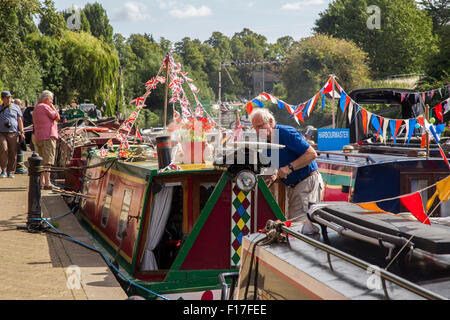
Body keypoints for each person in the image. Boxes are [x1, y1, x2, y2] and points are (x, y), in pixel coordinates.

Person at [249, 108, 323, 234]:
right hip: (294, 186)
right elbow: (274, 165)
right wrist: (274, 176)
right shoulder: (266, 140)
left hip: (305, 182)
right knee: (294, 225)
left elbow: (311, 154)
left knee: (302, 229)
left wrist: (289, 168)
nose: (257, 131)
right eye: (255, 127)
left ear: (271, 121)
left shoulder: (286, 133)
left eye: (260, 126)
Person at [32, 90, 60, 189]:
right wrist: (54, 108)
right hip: (48, 136)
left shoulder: (36, 108)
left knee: (42, 160)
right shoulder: (46, 107)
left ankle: (42, 182)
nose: (52, 101)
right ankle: (48, 183)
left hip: (39, 136)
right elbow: (57, 117)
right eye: (51, 99)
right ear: (47, 99)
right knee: (48, 160)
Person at [0, 91, 25, 178]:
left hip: (13, 133)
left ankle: (10, 171)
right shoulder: (0, 107)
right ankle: (3, 170)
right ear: (2, 98)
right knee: (3, 149)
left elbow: (20, 120)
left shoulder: (16, 107)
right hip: (1, 133)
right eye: (7, 97)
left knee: (13, 152)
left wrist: (22, 132)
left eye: (10, 97)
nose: (9, 99)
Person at [13, 99, 27, 174]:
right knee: (18, 150)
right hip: (15, 133)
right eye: (18, 104)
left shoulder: (18, 111)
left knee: (19, 150)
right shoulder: (15, 111)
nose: (19, 106)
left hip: (18, 132)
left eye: (20, 104)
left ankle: (18, 166)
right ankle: (18, 167)